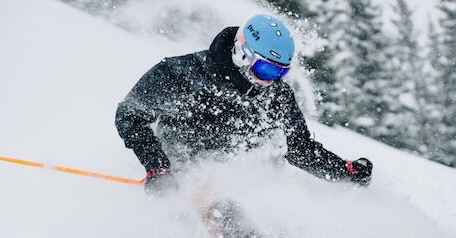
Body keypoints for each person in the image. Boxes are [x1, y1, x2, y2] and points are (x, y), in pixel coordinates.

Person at [115, 14, 373, 195]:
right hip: (184, 179)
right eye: (265, 70)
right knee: (229, 223)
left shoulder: (276, 96)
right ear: (242, 53)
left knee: (271, 225)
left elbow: (299, 149)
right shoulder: (183, 74)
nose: (270, 82)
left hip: (241, 183)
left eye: (279, 73)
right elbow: (129, 114)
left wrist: (345, 172)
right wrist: (158, 166)